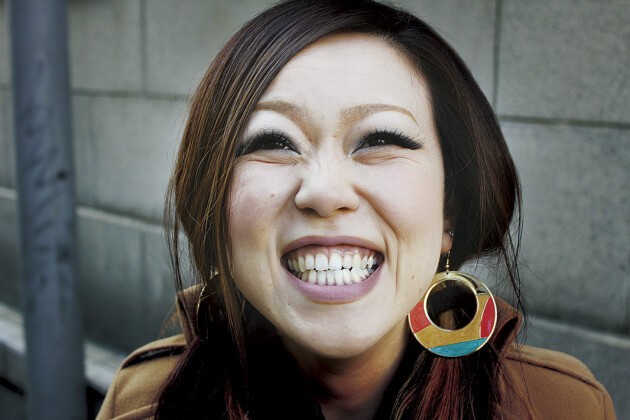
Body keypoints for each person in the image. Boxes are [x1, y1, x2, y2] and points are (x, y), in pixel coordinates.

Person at [97, 0, 616, 418]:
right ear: (214, 207)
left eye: (380, 140)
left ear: (450, 211)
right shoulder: (140, 405)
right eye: (273, 141)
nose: (324, 191)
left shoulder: (563, 407)